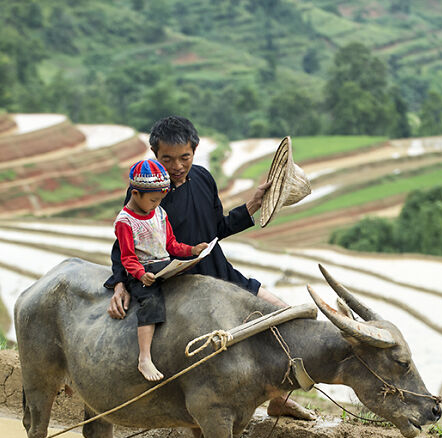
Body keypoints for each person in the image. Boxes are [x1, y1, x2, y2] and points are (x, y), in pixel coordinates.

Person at [105, 116, 313, 420]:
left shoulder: (203, 178)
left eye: (184, 157)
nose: (177, 165)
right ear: (155, 155)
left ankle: (278, 397)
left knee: (283, 313)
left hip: (219, 270)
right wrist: (119, 284)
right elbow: (124, 245)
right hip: (181, 283)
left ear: (195, 150)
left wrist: (253, 204)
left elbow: (217, 228)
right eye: (167, 158)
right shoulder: (147, 191)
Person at [114, 158, 208, 381]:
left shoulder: (160, 213)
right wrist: (140, 275)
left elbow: (171, 245)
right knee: (152, 302)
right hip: (144, 272)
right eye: (153, 200)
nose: (157, 204)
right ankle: (144, 358)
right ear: (135, 194)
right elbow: (127, 257)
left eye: (160, 200)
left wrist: (192, 250)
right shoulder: (125, 221)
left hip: (165, 265)